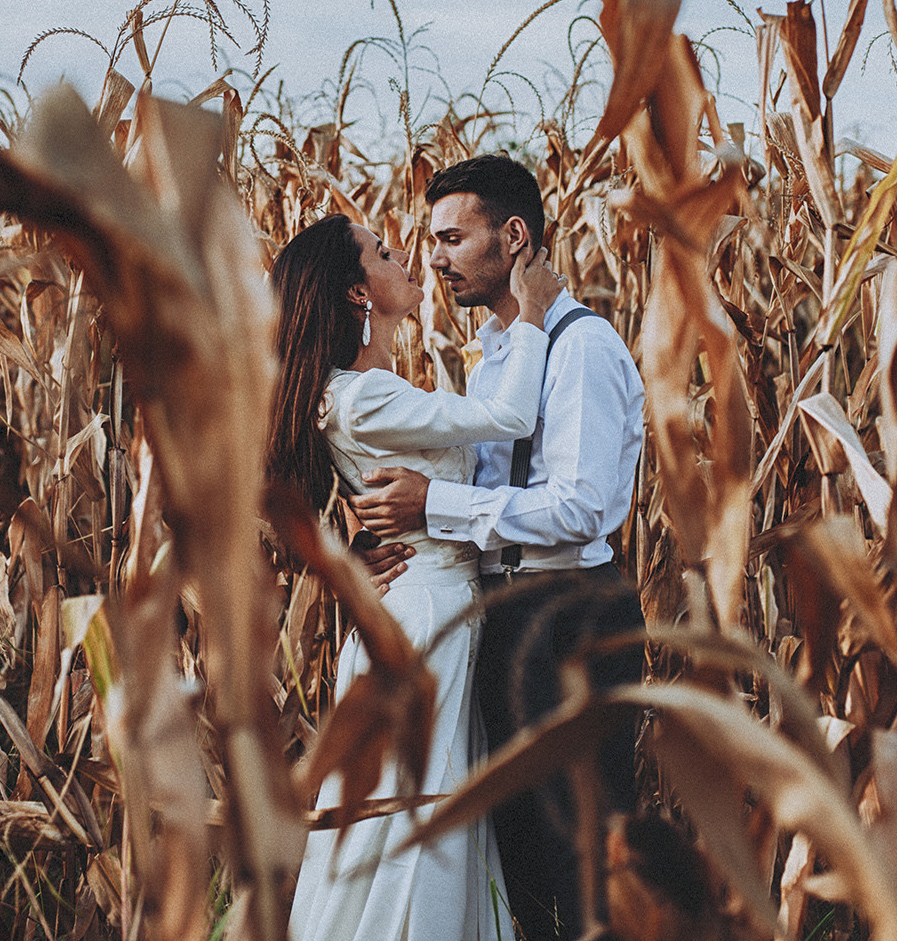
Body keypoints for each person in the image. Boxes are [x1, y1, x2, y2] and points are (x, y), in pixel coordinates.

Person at [353, 155, 648, 941]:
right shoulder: (499, 357)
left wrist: (433, 502)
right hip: (507, 615)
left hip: (569, 617)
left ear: (514, 235)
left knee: (584, 858)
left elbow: (581, 507)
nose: (435, 259)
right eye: (431, 241)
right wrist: (380, 534)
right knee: (521, 860)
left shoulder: (580, 347)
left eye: (452, 238)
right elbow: (476, 491)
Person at [270, 212, 564, 941]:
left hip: (427, 610)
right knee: (416, 817)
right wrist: (531, 313)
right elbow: (510, 415)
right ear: (357, 292)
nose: (404, 256)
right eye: (382, 251)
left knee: (423, 811)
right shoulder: (362, 396)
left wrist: (346, 548)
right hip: (427, 618)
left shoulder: (357, 391)